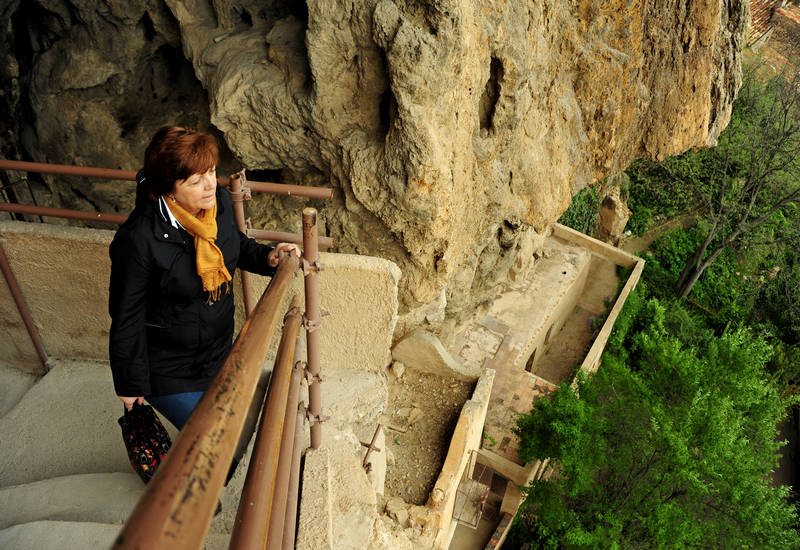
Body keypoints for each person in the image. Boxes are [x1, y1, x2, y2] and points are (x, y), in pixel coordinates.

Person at [108, 125, 299, 430]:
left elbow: (233, 245)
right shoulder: (138, 240)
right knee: (211, 439)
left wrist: (268, 257)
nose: (210, 184)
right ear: (169, 188)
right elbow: (126, 316)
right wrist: (130, 384)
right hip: (169, 369)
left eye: (211, 172)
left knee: (234, 431)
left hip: (219, 352)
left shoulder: (216, 202)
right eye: (196, 181)